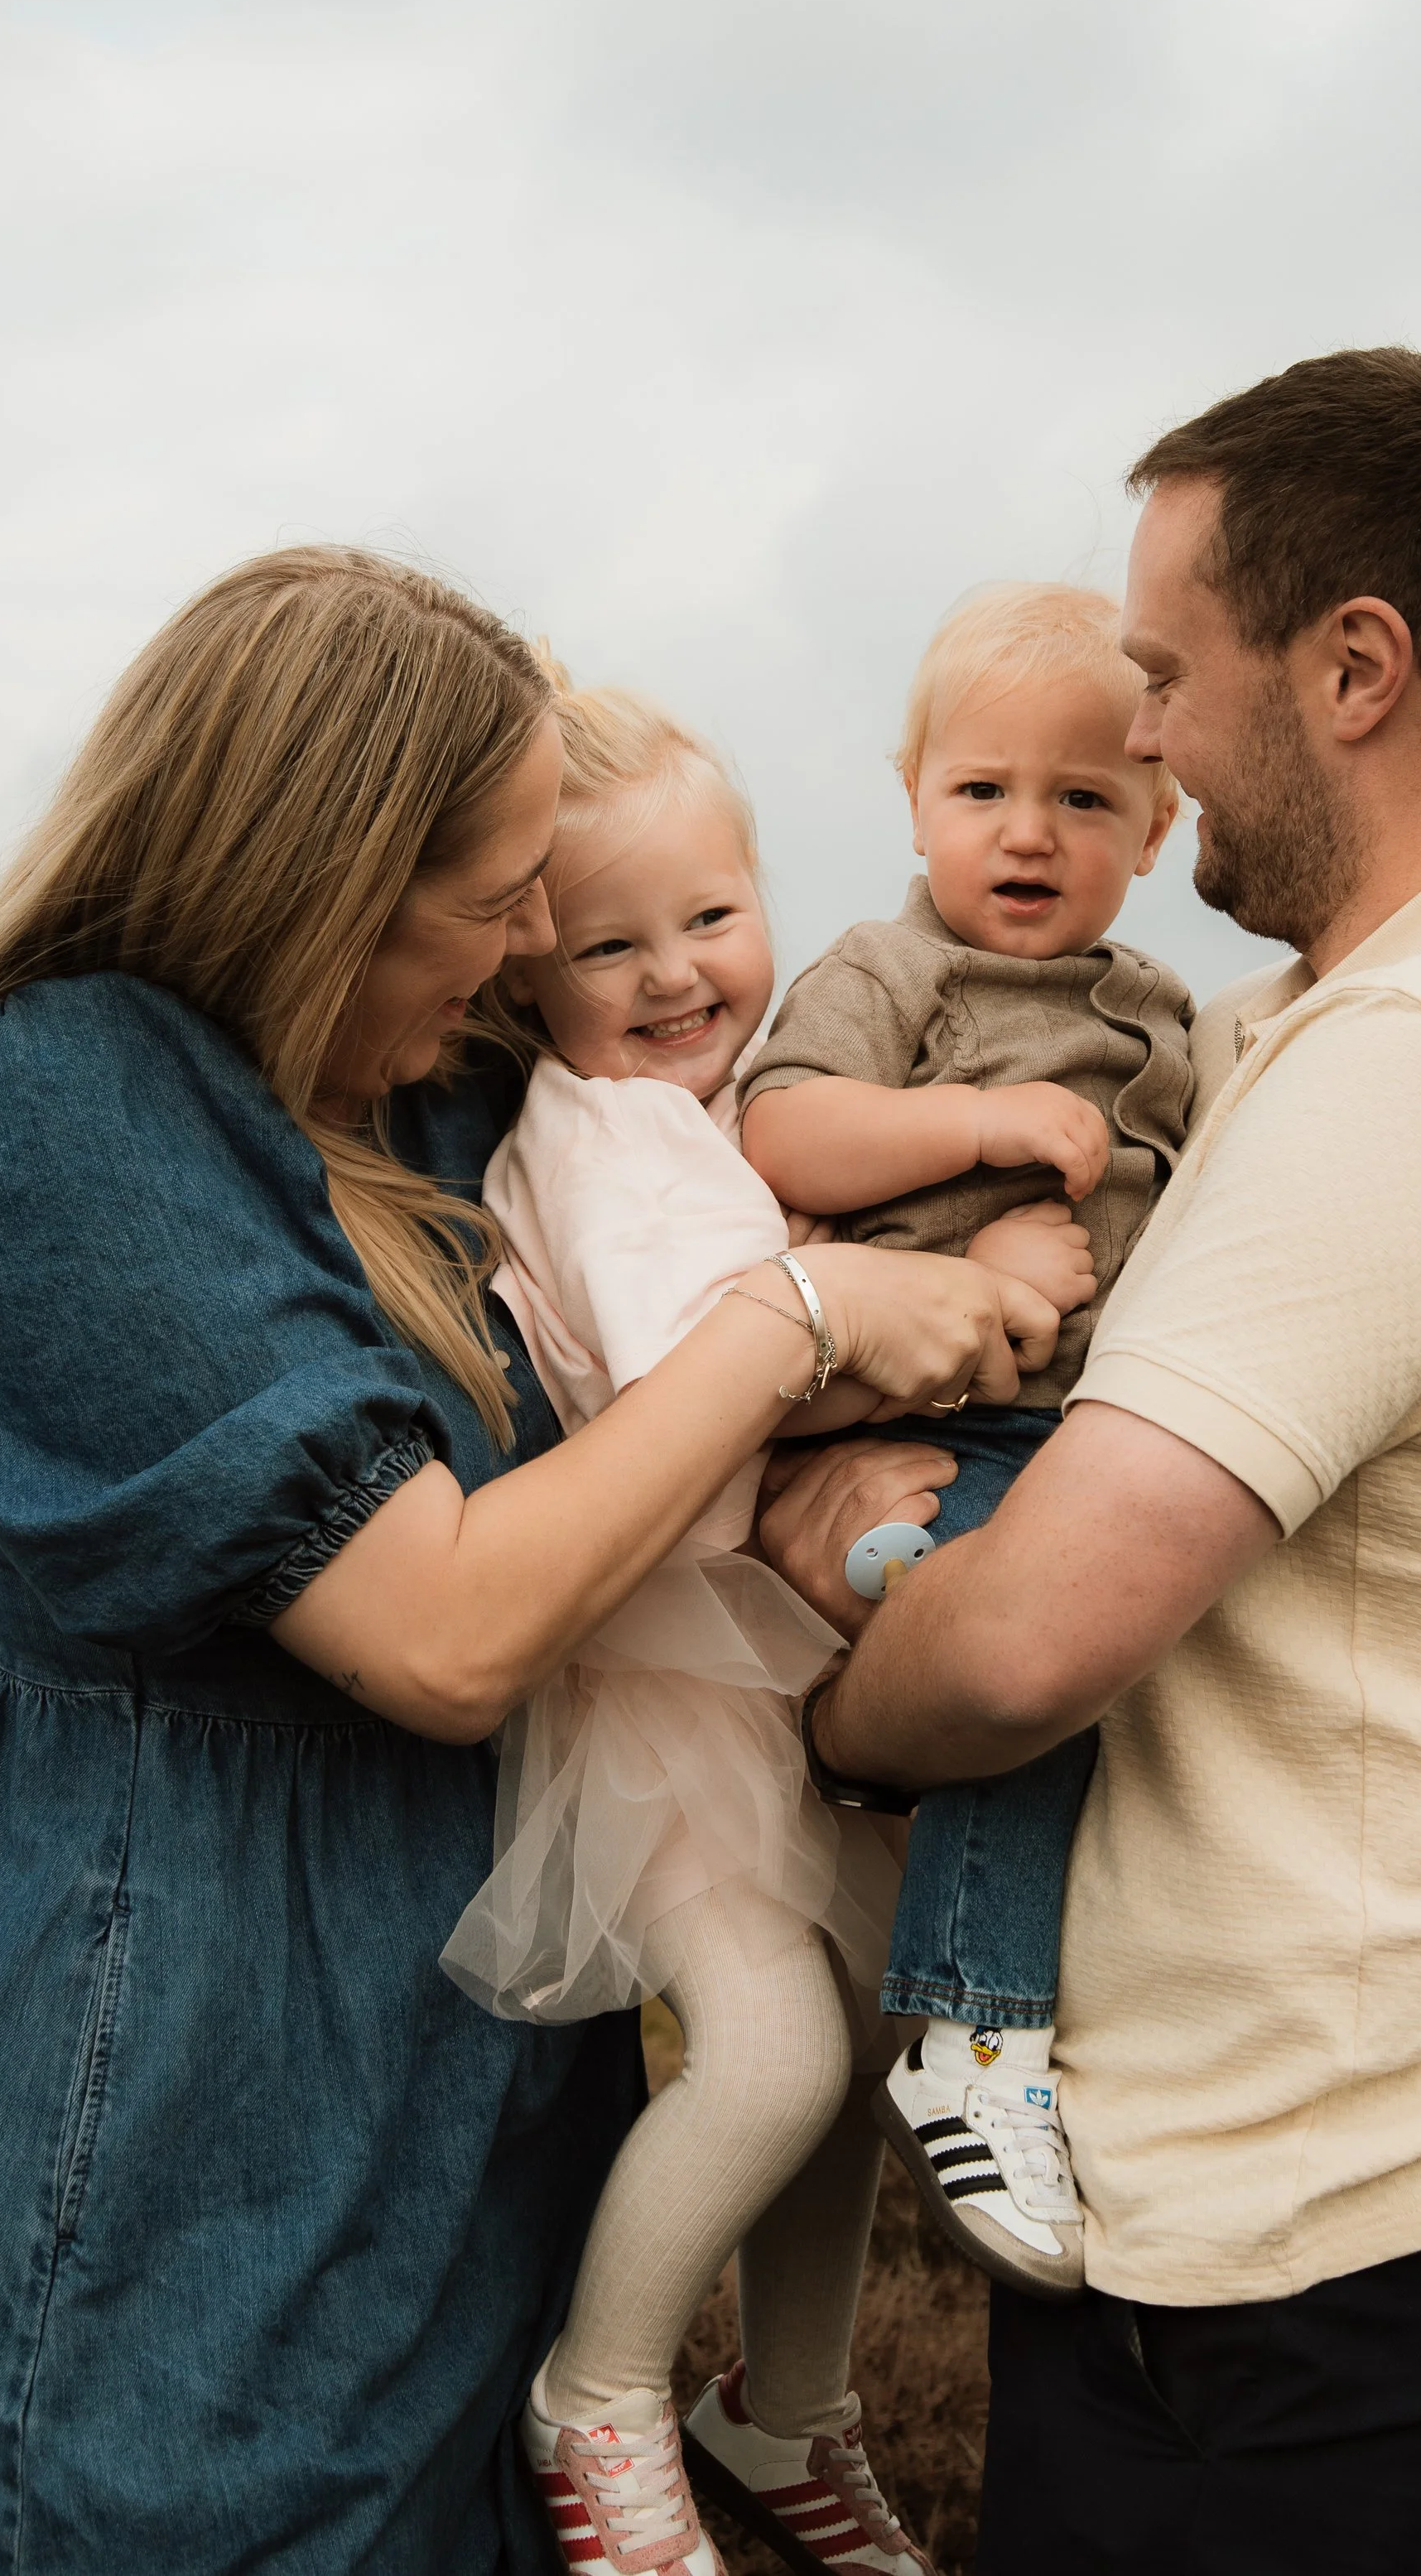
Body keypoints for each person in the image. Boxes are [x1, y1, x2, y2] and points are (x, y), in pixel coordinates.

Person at [0, 546, 1040, 2576]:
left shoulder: (427, 1077)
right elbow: (446, 1626)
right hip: (195, 2073)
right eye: (489, 911)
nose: (512, 968)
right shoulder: (64, 1097)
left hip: (474, 2078)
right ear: (319, 874)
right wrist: (796, 1333)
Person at [759, 351, 1421, 2576]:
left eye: (1170, 673)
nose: (1148, 738)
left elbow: (1016, 1657)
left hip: (1307, 2244)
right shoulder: (1418, 997)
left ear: (1354, 665)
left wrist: (829, 1634)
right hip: (1355, 2179)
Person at [440, 674, 965, 2576]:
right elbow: (709, 1390)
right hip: (660, 1688)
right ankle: (599, 2402)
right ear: (527, 979)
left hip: (754, 1673)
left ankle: (786, 2412)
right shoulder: (611, 1147)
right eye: (609, 943)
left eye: (710, 919)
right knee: (764, 2056)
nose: (674, 975)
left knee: (854, 2031)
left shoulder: (713, 1114)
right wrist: (929, 1309)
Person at [739, 583, 1192, 2296]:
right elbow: (785, 1130)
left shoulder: (1155, 1004)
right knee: (1039, 1675)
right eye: (982, 790)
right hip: (916, 1408)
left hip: (1074, 1429)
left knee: (1109, 1672)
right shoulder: (885, 968)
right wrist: (979, 1122)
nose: (1029, 832)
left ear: (1155, 826)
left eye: (1084, 799)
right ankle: (970, 2034)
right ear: (912, 797)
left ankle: (904, 1595)